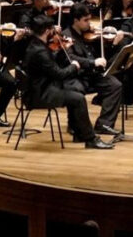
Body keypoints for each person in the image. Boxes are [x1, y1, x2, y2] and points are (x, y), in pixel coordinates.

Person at [22, 14, 111, 149]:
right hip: (40, 93)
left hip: (42, 87)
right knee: (78, 98)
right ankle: (91, 139)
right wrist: (74, 66)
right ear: (46, 31)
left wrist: (62, 48)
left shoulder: (35, 44)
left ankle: (79, 134)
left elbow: (49, 63)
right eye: (52, 29)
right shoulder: (40, 51)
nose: (54, 32)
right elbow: (59, 74)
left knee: (74, 92)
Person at [60, 3, 123, 138]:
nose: (89, 23)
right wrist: (92, 62)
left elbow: (103, 54)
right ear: (76, 20)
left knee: (115, 85)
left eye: (90, 19)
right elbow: (70, 58)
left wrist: (113, 43)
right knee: (76, 91)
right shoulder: (66, 36)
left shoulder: (89, 34)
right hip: (76, 76)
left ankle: (104, 124)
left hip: (92, 75)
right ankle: (74, 124)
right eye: (86, 20)